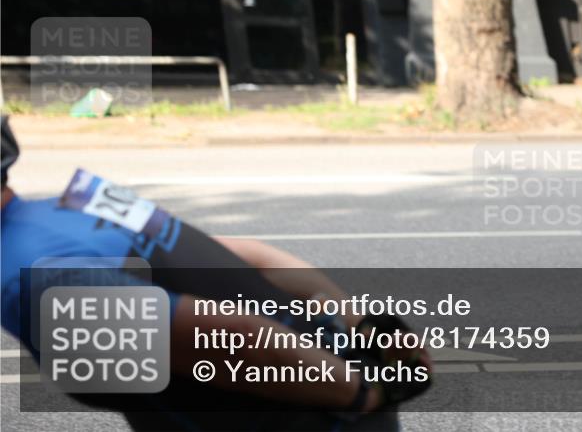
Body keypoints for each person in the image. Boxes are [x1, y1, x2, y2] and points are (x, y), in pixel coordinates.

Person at [0, 115, 431, 431]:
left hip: (316, 410)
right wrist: (368, 327)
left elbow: (234, 339)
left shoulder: (30, 278)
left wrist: (360, 395)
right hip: (334, 366)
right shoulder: (79, 200)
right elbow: (251, 256)